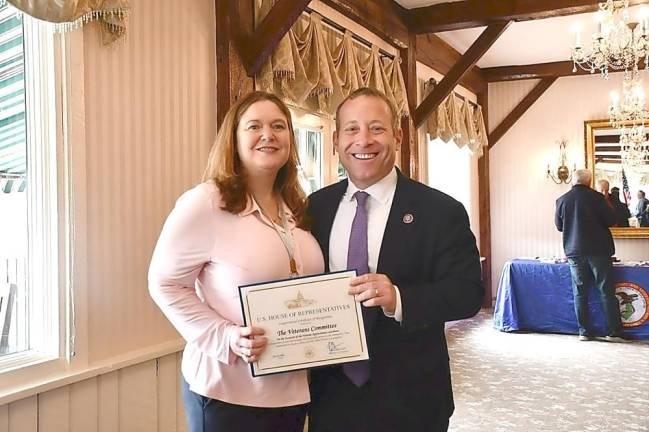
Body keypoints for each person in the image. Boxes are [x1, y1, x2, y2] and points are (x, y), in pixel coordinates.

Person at [306, 87, 483, 432]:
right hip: (331, 396)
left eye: (376, 128)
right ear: (336, 140)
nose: (363, 140)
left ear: (397, 136)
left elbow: (467, 293)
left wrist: (400, 298)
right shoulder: (314, 208)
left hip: (412, 399)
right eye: (352, 129)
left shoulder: (441, 211)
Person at [148, 91, 324, 432]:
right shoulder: (205, 203)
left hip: (292, 390)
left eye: (278, 126)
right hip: (227, 391)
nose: (268, 135)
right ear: (234, 138)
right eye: (254, 126)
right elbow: (164, 283)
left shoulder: (296, 207)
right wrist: (226, 336)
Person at [554, 169, 624, 342]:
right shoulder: (597, 198)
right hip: (599, 250)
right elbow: (611, 220)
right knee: (606, 291)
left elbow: (559, 226)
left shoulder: (562, 200)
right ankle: (613, 332)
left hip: (574, 251)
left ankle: (584, 332)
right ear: (589, 181)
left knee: (580, 292)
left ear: (573, 181)